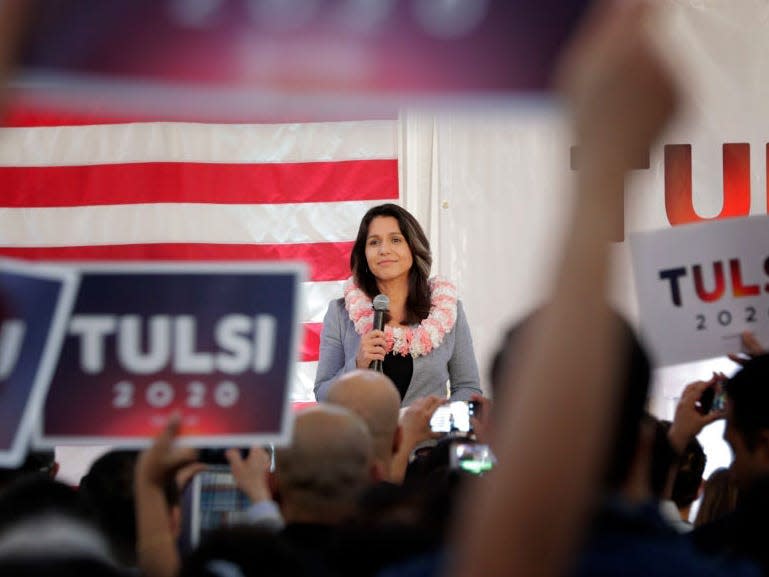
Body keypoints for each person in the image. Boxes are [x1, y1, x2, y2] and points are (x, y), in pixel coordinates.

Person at [314, 203, 482, 405]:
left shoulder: (446, 310)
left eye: (395, 240)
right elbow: (323, 395)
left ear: (413, 247)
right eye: (374, 242)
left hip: (429, 435)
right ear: (364, 254)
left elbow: (467, 388)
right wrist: (357, 365)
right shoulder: (340, 313)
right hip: (362, 436)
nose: (384, 250)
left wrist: (437, 422)